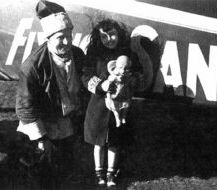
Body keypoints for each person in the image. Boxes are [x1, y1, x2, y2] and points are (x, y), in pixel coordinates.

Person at [15, 0, 86, 187]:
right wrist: (41, 138)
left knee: (66, 162)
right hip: (45, 121)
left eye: (69, 36)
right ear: (48, 39)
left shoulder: (77, 55)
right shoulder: (32, 66)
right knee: (44, 166)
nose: (66, 42)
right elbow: (25, 105)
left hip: (68, 118)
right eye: (60, 38)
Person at [82, 18, 153, 187]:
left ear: (118, 34)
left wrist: (131, 80)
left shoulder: (128, 53)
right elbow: (85, 76)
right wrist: (101, 85)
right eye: (104, 37)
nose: (109, 40)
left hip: (121, 106)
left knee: (115, 142)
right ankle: (98, 172)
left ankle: (111, 173)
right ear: (98, 38)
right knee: (98, 142)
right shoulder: (93, 54)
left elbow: (139, 74)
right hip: (98, 107)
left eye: (112, 34)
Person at [105, 55, 134, 127]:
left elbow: (131, 85)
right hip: (115, 95)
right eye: (120, 68)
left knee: (125, 107)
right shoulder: (113, 77)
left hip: (124, 95)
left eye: (126, 68)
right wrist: (108, 98)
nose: (123, 71)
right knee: (116, 110)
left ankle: (123, 117)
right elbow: (108, 89)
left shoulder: (128, 77)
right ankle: (118, 120)